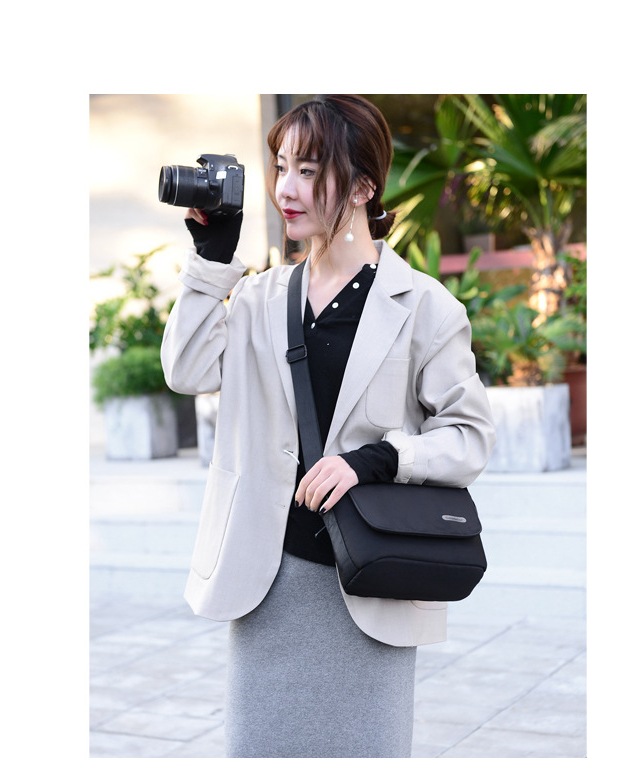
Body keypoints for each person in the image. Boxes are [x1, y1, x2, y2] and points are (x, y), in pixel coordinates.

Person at [161, 94, 495, 758]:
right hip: (266, 580)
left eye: (310, 171)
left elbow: (470, 436)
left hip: (371, 585)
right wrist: (212, 262)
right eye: (282, 167)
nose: (286, 188)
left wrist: (376, 461)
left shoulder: (424, 306)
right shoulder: (259, 296)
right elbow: (186, 369)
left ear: (365, 186)